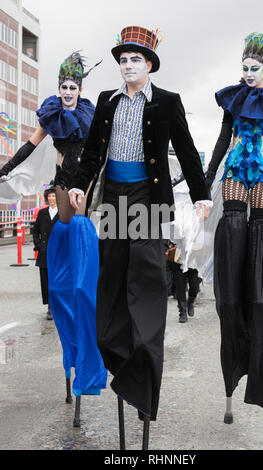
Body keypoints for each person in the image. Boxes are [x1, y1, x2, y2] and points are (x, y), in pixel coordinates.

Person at [69, 25, 211, 449]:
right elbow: (94, 149)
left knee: (147, 280)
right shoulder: (108, 102)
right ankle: (120, 360)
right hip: (115, 198)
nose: (127, 66)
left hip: (149, 199)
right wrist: (79, 183)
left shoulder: (167, 102)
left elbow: (186, 150)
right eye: (122, 60)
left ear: (149, 64)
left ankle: (145, 374)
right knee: (112, 279)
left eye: (135, 60)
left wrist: (202, 196)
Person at [0, 51, 107, 426]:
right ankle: (70, 356)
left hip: (89, 191)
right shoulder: (52, 115)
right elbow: (30, 146)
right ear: (58, 88)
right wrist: (4, 170)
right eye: (62, 86)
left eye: (72, 87)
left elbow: (105, 151)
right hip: (64, 191)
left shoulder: (92, 116)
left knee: (82, 288)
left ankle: (89, 355)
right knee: (66, 287)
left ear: (80, 89)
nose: (66, 92)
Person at [205, 32, 263, 446]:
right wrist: (203, 182)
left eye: (253, 69)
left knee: (260, 233)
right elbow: (222, 143)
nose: (246, 75)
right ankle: (232, 283)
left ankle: (258, 286)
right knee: (233, 227)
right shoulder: (233, 100)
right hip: (234, 173)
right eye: (243, 68)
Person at [33, 187, 59, 320]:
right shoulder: (42, 213)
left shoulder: (63, 214)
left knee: (58, 280)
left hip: (59, 253)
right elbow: (35, 230)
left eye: (54, 196)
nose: (51, 199)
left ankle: (58, 306)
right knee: (46, 280)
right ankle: (50, 307)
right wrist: (38, 245)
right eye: (49, 196)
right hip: (44, 252)